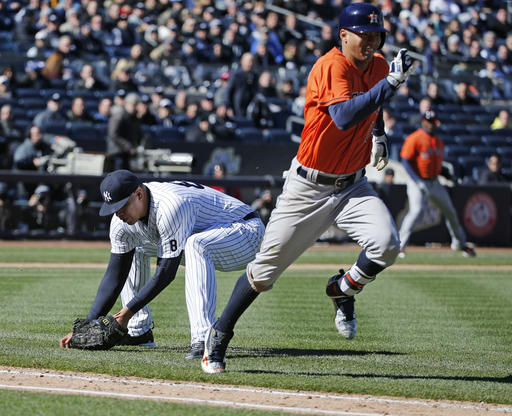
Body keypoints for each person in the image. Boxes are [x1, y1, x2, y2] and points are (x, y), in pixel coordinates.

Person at [201, 3, 415, 374]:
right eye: (363, 35)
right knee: (264, 273)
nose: (370, 42)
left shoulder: (379, 65)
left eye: (376, 36)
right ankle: (218, 335)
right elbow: (345, 116)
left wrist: (379, 133)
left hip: (353, 185)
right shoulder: (331, 65)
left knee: (388, 244)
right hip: (308, 188)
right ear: (343, 35)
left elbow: (371, 108)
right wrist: (390, 86)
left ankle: (342, 290)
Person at [59, 170, 265, 359]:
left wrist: (125, 313)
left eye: (121, 205)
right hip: (212, 235)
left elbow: (166, 273)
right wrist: (85, 327)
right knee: (138, 246)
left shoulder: (170, 206)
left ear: (138, 194)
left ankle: (203, 339)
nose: (118, 213)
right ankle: (139, 331)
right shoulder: (121, 222)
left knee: (196, 244)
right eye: (113, 208)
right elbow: (114, 276)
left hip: (246, 231)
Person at [398, 110, 476, 258]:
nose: (431, 124)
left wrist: (449, 176)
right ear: (423, 122)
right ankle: (400, 246)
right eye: (429, 121)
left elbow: (437, 166)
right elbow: (405, 161)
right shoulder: (415, 138)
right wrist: (416, 180)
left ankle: (459, 243)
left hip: (434, 181)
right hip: (417, 181)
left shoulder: (438, 141)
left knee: (450, 211)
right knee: (416, 211)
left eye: (433, 122)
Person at [106, 93, 143, 172]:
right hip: (117, 152)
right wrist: (129, 146)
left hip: (127, 153)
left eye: (136, 105)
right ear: (126, 104)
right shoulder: (119, 115)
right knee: (119, 177)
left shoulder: (134, 117)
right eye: (133, 104)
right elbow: (113, 134)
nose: (134, 107)